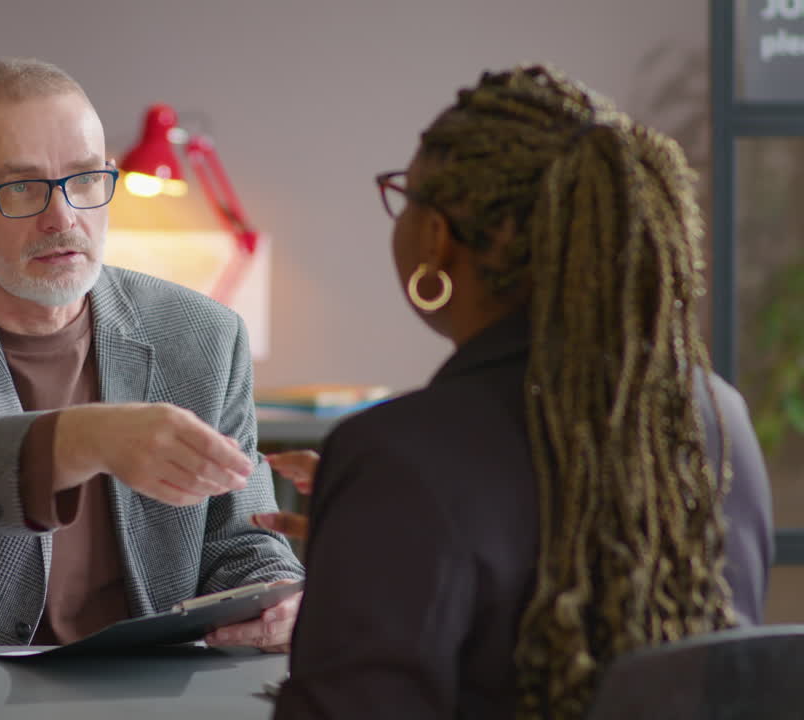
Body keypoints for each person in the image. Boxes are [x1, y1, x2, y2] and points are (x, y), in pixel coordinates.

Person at [270, 65, 773, 719]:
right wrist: (373, 545)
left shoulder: (399, 456)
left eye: (405, 196)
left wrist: (377, 536)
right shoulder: (715, 417)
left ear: (435, 237)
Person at [0, 57, 303, 649]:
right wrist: (87, 439)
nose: (63, 217)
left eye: (84, 179)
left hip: (146, 689)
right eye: (20, 187)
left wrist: (275, 594)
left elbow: (242, 538)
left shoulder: (203, 332)